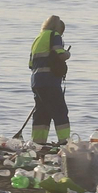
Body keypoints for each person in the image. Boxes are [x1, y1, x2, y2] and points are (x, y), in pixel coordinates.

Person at [28, 14, 70, 146]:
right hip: (50, 81)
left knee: (42, 112)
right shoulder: (54, 35)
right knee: (60, 110)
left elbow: (30, 64)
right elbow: (60, 54)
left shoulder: (38, 38)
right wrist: (67, 54)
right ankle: (65, 141)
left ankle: (38, 142)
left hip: (36, 81)